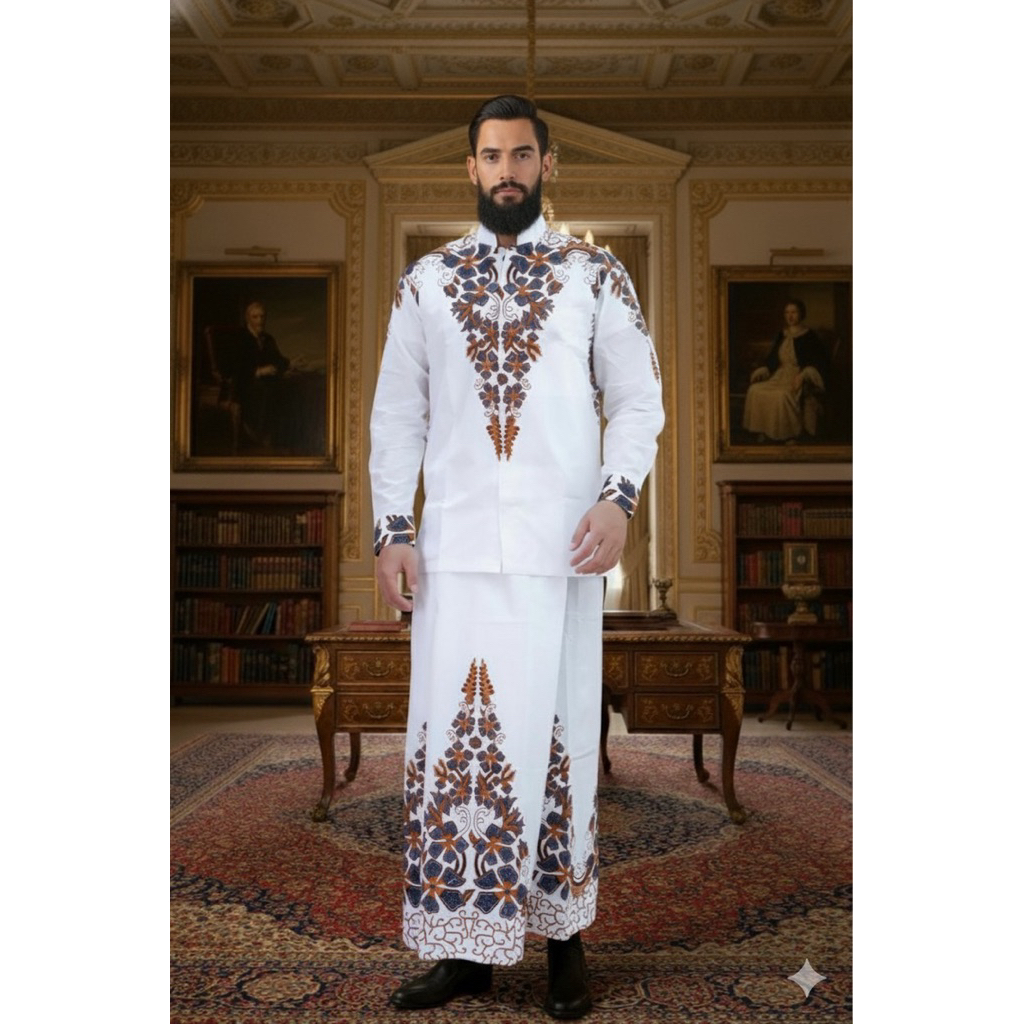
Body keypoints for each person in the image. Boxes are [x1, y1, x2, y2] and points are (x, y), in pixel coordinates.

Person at [369, 95, 664, 1019]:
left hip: (560, 552)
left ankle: (565, 942)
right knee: (455, 747)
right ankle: (464, 952)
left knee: (561, 739)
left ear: (547, 164)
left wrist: (618, 499)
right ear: (470, 168)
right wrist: (393, 529)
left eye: (522, 154)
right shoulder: (427, 281)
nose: (507, 170)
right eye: (492, 155)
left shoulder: (594, 274)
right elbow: (397, 413)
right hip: (453, 553)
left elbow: (639, 398)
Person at [741, 298, 828, 442]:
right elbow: (773, 359)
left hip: (796, 377)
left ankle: (790, 433)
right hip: (778, 375)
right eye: (787, 312)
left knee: (782, 396)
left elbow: (819, 361)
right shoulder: (782, 334)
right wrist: (764, 369)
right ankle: (764, 429)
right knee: (754, 390)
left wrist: (804, 375)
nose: (790, 316)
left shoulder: (809, 336)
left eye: (794, 312)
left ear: (801, 314)